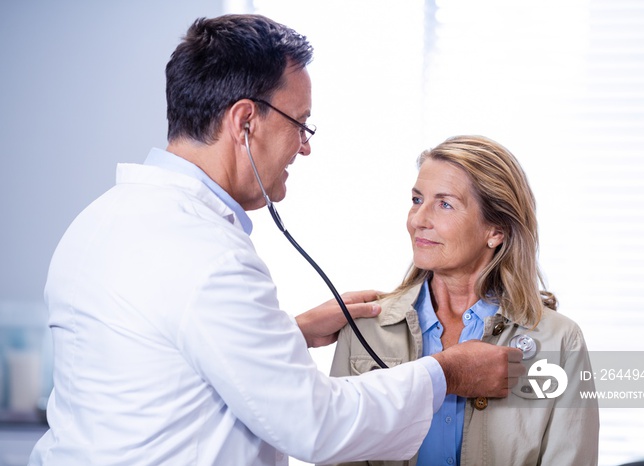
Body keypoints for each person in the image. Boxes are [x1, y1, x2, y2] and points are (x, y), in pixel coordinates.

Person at [29, 15, 525, 466]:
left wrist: (290, 334)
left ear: (496, 230)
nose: (304, 147)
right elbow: (315, 424)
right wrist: (446, 373)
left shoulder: (98, 222)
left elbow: (167, 363)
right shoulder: (206, 254)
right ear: (246, 122)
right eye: (300, 124)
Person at [325, 135, 600, 466]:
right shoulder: (365, 327)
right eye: (416, 200)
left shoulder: (559, 341)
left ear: (495, 231)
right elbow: (334, 451)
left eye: (444, 204)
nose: (418, 220)